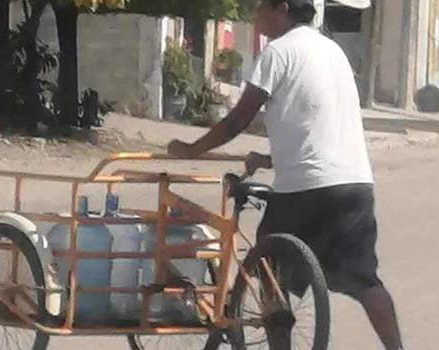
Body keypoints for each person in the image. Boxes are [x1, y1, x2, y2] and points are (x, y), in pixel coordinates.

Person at [166, 0, 405, 349]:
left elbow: (237, 120)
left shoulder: (277, 53)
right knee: (365, 280)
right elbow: (317, 125)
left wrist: (192, 150)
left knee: (267, 265)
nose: (257, 14)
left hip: (306, 190)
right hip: (355, 184)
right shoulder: (333, 51)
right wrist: (269, 158)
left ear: (282, 8)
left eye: (262, 7)